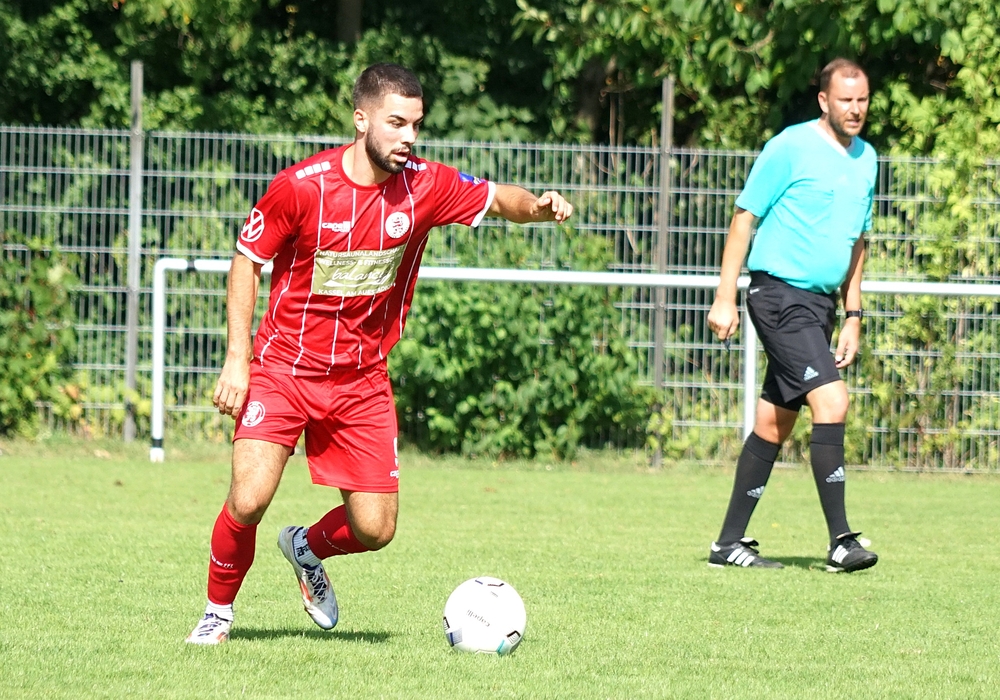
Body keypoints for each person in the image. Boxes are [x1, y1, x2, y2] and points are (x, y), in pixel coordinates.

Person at [186, 63, 574, 644]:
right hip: (282, 367)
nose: (409, 137)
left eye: (416, 124)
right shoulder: (302, 186)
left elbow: (499, 198)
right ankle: (217, 613)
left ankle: (305, 547)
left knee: (375, 529)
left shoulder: (425, 184)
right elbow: (248, 260)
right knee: (248, 498)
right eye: (396, 123)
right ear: (361, 119)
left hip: (361, 377)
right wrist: (237, 358)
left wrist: (537, 208)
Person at [705, 58, 879, 573]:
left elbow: (858, 241)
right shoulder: (789, 146)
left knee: (773, 422)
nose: (855, 109)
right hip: (779, 296)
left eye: (863, 100)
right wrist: (724, 296)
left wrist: (852, 315)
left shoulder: (867, 158)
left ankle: (727, 544)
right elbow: (744, 218)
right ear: (824, 100)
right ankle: (841, 542)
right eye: (845, 100)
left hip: (821, 306)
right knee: (833, 400)